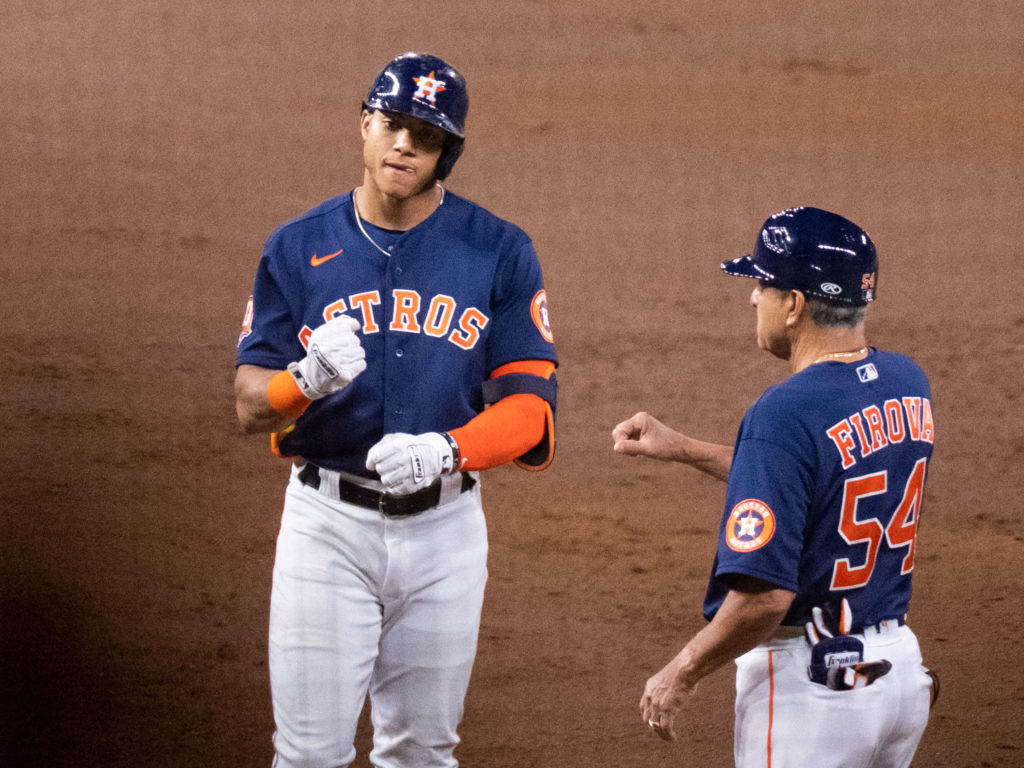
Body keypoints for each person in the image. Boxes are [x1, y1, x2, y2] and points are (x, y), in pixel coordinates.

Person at [234, 52, 558, 768]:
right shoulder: (297, 246)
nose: (405, 144)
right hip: (328, 530)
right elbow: (249, 404)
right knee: (310, 755)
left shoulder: (500, 251)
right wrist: (304, 381)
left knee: (422, 755)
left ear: (448, 153)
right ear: (365, 125)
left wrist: (447, 452)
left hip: (445, 533)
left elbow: (530, 411)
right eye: (392, 124)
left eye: (427, 135)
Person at [612, 206, 937, 767]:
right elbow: (814, 479)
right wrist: (682, 447)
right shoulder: (906, 381)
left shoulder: (783, 413)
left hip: (815, 698)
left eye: (762, 282)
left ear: (794, 305)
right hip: (900, 678)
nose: (752, 297)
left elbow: (764, 597)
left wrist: (680, 672)